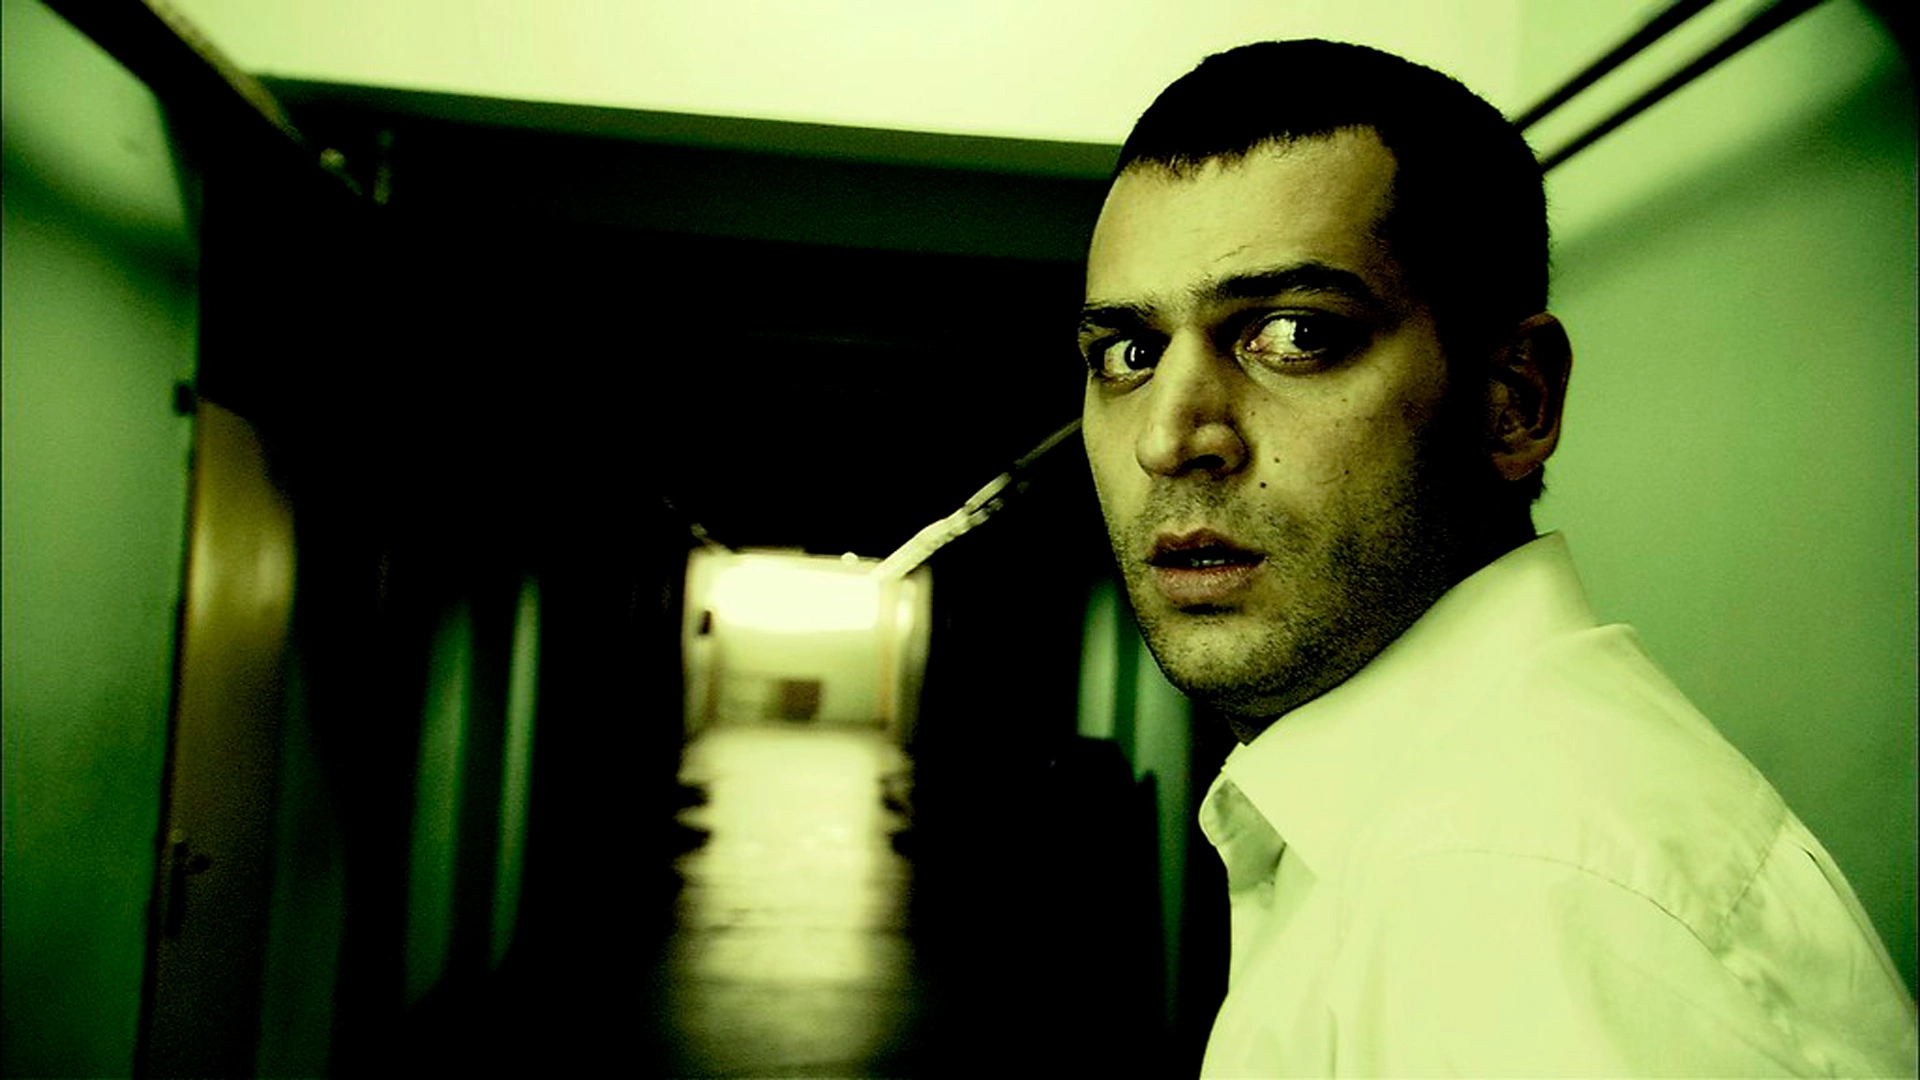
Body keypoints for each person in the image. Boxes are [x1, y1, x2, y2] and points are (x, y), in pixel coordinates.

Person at [1077, 39, 1917, 1076]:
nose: (1169, 438)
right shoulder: (1443, 837)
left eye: (1295, 334)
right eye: (1129, 353)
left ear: (1514, 399)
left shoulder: (1514, 898)